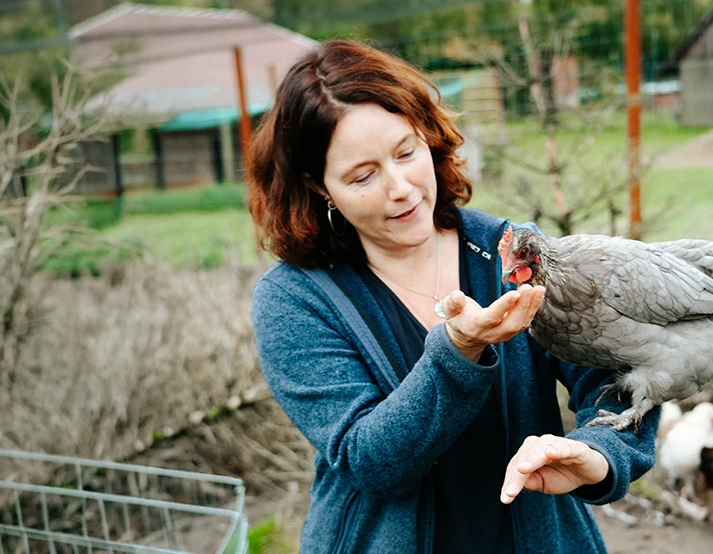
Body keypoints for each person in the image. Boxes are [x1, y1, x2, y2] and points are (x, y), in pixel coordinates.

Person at [247, 39, 660, 554]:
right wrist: (458, 352)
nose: (401, 187)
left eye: (406, 152)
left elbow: (620, 380)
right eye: (364, 175)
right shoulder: (295, 300)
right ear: (319, 186)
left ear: (429, 137)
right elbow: (370, 461)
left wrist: (599, 454)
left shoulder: (513, 253)